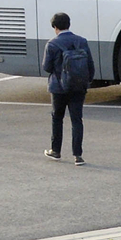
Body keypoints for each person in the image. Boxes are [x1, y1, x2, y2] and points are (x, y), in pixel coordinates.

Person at [41, 12, 92, 166]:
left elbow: (46, 67)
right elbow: (90, 64)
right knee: (77, 119)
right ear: (69, 24)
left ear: (55, 27)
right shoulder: (81, 41)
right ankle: (78, 155)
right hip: (78, 86)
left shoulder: (52, 44)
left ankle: (55, 150)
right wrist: (86, 82)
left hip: (58, 87)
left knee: (57, 118)